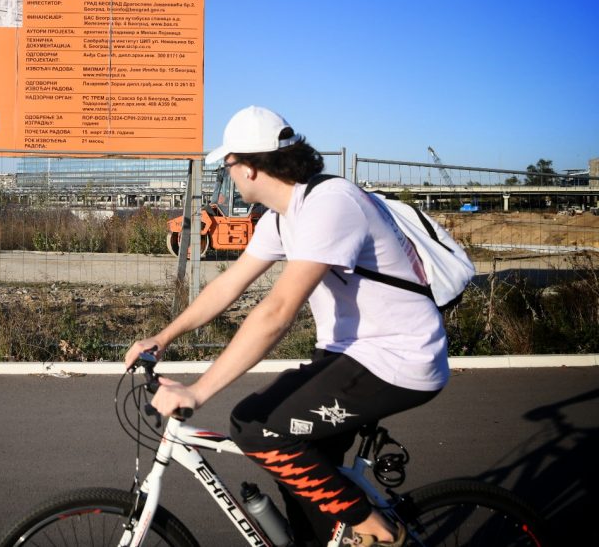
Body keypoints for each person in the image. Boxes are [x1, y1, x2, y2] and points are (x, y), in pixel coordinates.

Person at [124, 106, 448, 547]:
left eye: (229, 165)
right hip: (349, 354)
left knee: (256, 427)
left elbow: (277, 312)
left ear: (252, 166)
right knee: (301, 480)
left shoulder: (330, 204)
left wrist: (197, 391)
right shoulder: (282, 217)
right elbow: (229, 287)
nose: (229, 175)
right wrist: (163, 337)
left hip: (397, 358)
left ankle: (383, 533)